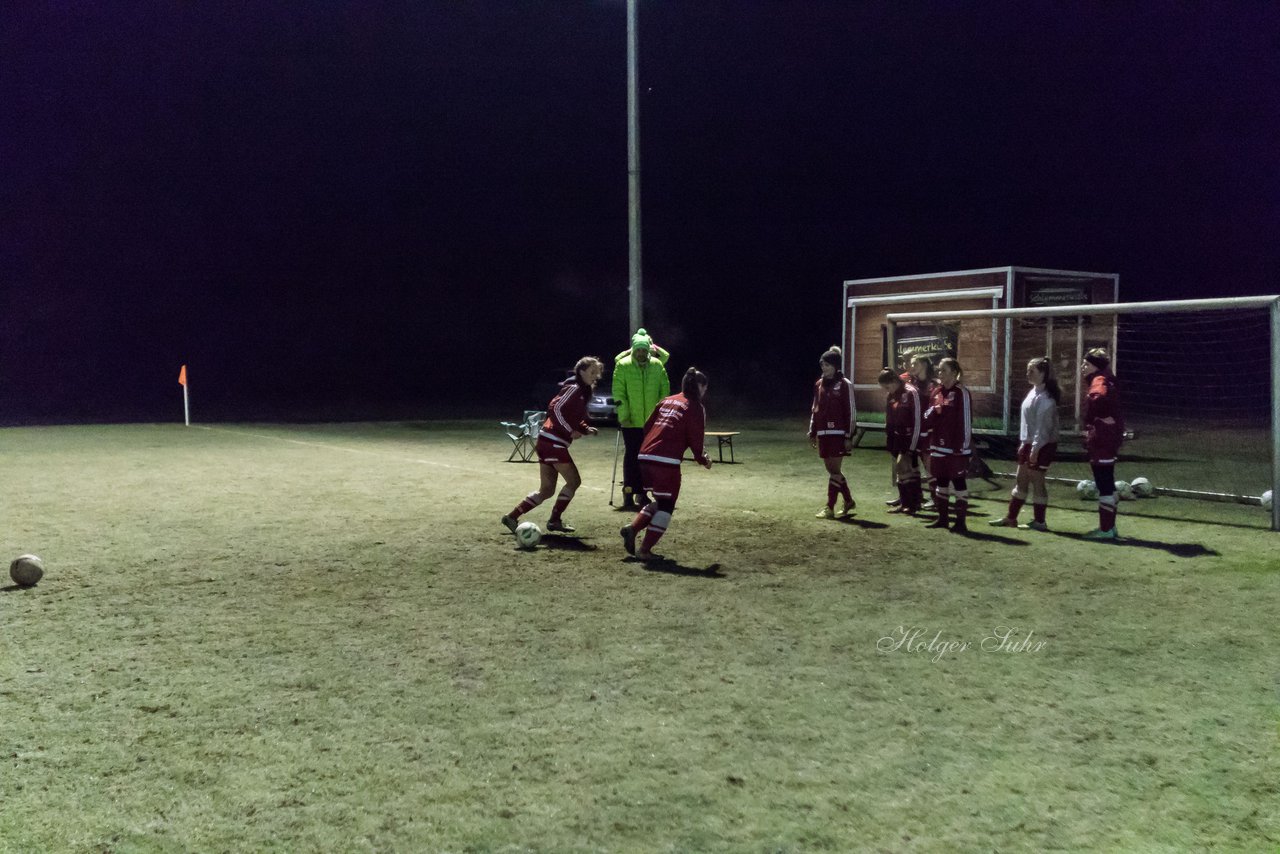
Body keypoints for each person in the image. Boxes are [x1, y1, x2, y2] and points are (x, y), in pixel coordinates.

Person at [502, 357, 603, 535]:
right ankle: (554, 520)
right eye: (592, 372)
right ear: (581, 371)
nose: (596, 376)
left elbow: (571, 415)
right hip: (552, 442)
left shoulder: (582, 390)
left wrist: (585, 429)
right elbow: (554, 409)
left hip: (547, 441)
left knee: (547, 490)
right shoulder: (575, 388)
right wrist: (569, 430)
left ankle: (511, 517)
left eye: (598, 372)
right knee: (574, 481)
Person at [620, 368, 712, 561]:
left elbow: (647, 425)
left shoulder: (667, 400)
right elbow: (697, 439)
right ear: (700, 387)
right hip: (665, 461)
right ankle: (645, 551)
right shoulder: (695, 407)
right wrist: (703, 458)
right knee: (667, 506)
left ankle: (633, 528)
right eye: (705, 388)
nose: (705, 392)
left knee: (661, 502)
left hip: (645, 455)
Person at [989, 357, 1061, 530]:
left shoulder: (1046, 399)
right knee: (1021, 480)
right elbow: (1028, 423)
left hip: (1042, 445)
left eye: (1032, 371)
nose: (1027, 373)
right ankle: (1011, 518)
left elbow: (1042, 429)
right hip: (1029, 443)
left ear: (1043, 374)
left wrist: (1035, 449)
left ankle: (1040, 521)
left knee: (1037, 481)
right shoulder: (1033, 392)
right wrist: (1024, 442)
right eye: (1028, 370)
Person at [612, 328, 671, 510]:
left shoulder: (657, 365)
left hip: (652, 423)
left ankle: (643, 493)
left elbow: (664, 392)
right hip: (631, 423)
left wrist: (661, 415)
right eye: (637, 349)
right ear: (633, 349)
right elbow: (619, 393)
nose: (640, 353)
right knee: (632, 458)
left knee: (648, 459)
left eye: (644, 350)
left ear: (648, 350)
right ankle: (628, 494)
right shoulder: (622, 365)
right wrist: (624, 416)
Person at [922, 357, 972, 533]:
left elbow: (965, 421)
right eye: (939, 370)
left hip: (956, 448)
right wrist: (933, 413)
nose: (939, 373)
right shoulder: (937, 392)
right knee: (941, 482)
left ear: (953, 372)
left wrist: (962, 447)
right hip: (938, 445)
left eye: (943, 370)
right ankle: (942, 519)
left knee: (958, 482)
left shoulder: (961, 392)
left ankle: (960, 522)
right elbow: (927, 417)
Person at [1081, 348, 1124, 540]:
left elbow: (1098, 396)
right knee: (1108, 483)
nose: (1082, 367)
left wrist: (1098, 416)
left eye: (1086, 364)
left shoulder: (1098, 380)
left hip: (1102, 439)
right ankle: (1110, 528)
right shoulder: (1107, 378)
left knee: (1104, 484)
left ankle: (1105, 530)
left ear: (1095, 366)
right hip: (1108, 439)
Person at [809, 346, 857, 519]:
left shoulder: (845, 385)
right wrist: (812, 431)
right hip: (823, 433)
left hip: (838, 433)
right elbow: (815, 408)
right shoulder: (818, 384)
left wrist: (848, 436)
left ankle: (829, 507)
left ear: (836, 366)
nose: (824, 368)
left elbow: (851, 412)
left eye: (828, 365)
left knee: (835, 470)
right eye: (822, 365)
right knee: (832, 471)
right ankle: (849, 501)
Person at [878, 368, 923, 514]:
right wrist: (889, 437)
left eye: (887, 386)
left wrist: (913, 444)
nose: (887, 390)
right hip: (897, 438)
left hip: (909, 438)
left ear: (894, 381)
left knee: (902, 468)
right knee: (910, 470)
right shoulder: (891, 395)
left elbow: (917, 420)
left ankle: (908, 504)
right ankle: (913, 502)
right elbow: (889, 418)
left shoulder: (911, 392)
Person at [906, 355, 939, 511]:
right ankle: (914, 497)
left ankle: (936, 498)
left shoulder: (934, 385)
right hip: (914, 430)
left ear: (925, 364)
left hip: (928, 431)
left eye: (915, 363)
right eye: (911, 363)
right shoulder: (911, 384)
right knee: (912, 464)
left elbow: (936, 408)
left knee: (929, 464)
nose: (912, 366)